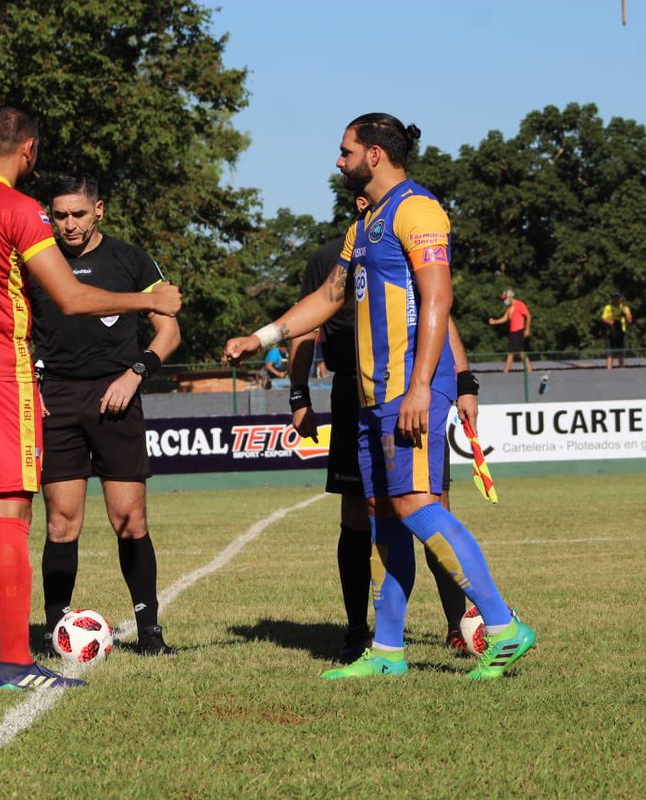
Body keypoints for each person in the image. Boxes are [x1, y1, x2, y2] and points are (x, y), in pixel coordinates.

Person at [226, 113, 535, 681]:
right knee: (384, 516)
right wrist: (262, 337)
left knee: (417, 503)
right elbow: (328, 296)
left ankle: (503, 625)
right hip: (371, 394)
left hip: (408, 389)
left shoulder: (417, 209)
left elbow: (438, 299)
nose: (337, 160)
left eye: (344, 151)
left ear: (373, 154)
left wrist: (424, 386)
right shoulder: (363, 223)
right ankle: (388, 649)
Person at [0, 107, 181, 690]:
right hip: (0, 376)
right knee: (12, 515)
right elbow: (74, 298)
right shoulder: (19, 210)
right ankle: (15, 664)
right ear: (28, 150)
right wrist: (150, 303)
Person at [289, 199, 479, 663]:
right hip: (354, 392)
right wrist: (298, 395)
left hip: (412, 387)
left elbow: (440, 310)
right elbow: (304, 323)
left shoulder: (405, 237)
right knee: (360, 514)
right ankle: (360, 632)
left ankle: (461, 623)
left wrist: (466, 382)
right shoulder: (328, 258)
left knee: (430, 504)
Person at [28, 173, 180, 657]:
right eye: (59, 215)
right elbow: (17, 330)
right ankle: (57, 630)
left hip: (117, 398)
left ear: (99, 211)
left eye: (77, 214)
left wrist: (136, 373)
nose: (68, 225)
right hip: (57, 400)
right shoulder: (35, 263)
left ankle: (150, 633)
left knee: (130, 520)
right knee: (61, 524)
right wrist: (32, 383)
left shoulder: (130, 259)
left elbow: (168, 330)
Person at [489, 289, 532, 373]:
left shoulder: (519, 304)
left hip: (518, 331)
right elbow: (505, 318)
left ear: (509, 297)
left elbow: (528, 316)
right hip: (512, 332)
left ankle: (506, 371)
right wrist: (494, 321)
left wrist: (527, 329)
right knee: (519, 352)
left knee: (511, 352)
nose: (504, 300)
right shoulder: (509, 308)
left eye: (505, 298)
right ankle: (529, 369)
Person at [601, 292, 634, 369]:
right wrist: (609, 322)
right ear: (612, 299)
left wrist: (625, 314)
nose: (616, 300)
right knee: (609, 353)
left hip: (620, 332)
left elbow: (630, 321)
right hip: (610, 332)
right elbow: (603, 318)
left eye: (618, 298)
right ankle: (609, 370)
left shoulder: (625, 308)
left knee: (621, 352)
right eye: (614, 298)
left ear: (620, 299)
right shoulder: (608, 307)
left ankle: (622, 369)